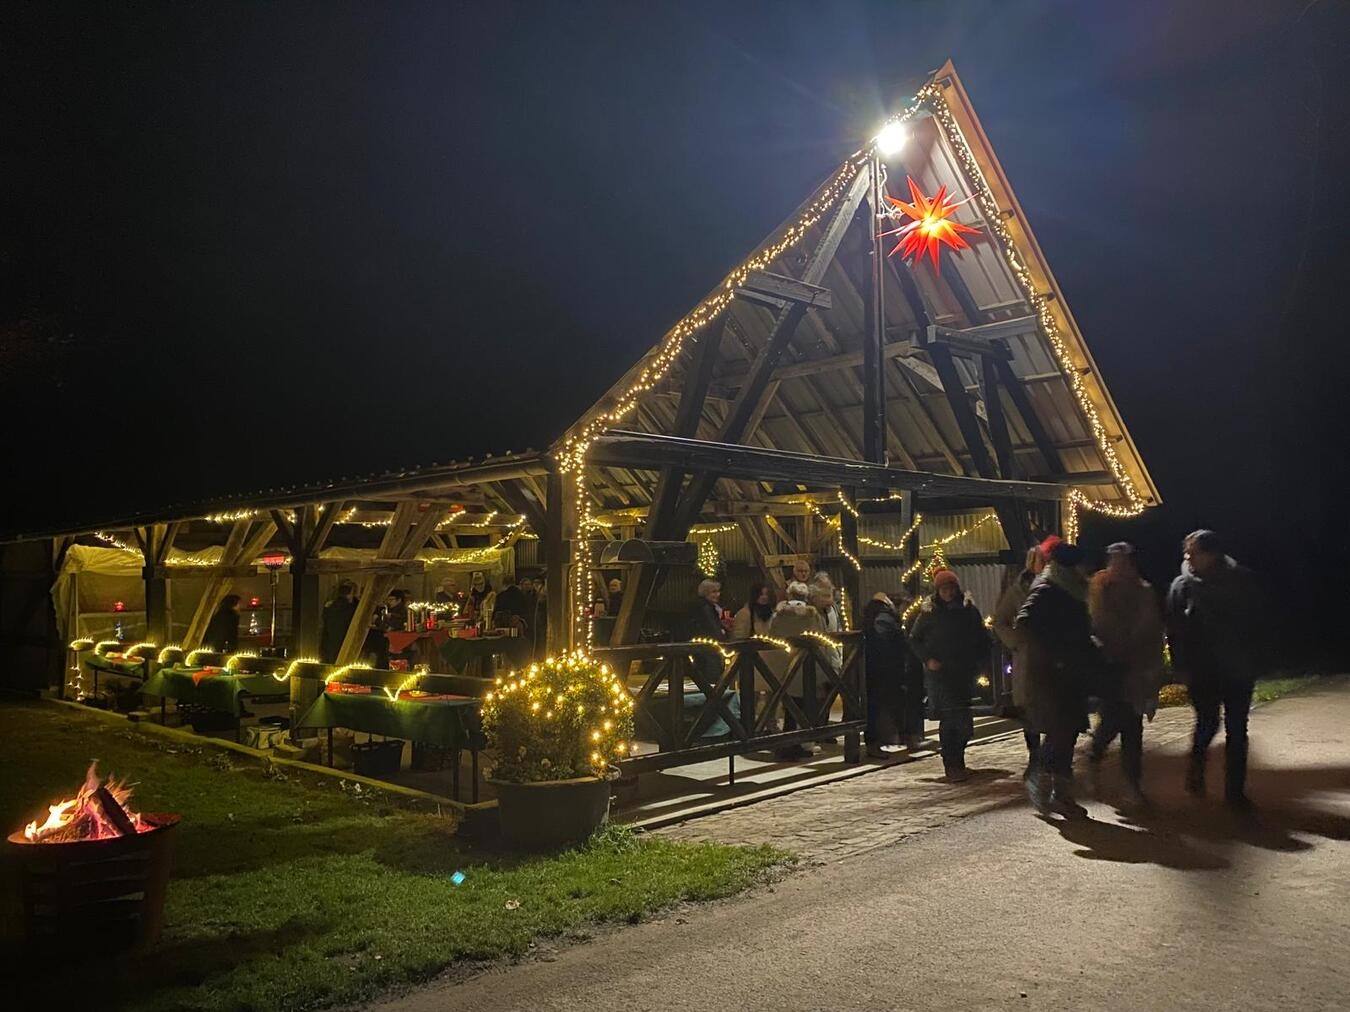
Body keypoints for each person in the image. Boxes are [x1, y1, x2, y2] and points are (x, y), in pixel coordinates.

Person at [1166, 530, 1267, 812]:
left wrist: (1255, 658)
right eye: (1186, 552)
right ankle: (1196, 769)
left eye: (1193, 552)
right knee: (1208, 724)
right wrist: (1180, 666)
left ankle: (1235, 792)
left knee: (1237, 729)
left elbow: (1258, 623)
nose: (1188, 557)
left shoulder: (1242, 581)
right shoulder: (1182, 586)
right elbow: (1175, 630)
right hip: (1203, 671)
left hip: (1238, 668)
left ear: (1212, 555)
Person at [1016, 542, 1101, 817]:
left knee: (1068, 732)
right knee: (1059, 733)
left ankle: (1060, 791)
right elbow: (1024, 623)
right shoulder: (1047, 589)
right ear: (1070, 566)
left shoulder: (1073, 590)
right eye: (1080, 566)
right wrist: (1054, 655)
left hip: (1071, 675)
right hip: (1051, 677)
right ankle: (1043, 783)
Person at [1086, 542, 1164, 806]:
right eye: (1114, 559)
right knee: (1111, 722)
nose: (1119, 564)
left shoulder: (1144, 590)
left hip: (1135, 669)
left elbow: (1153, 633)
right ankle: (1094, 756)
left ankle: (1132, 783)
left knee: (1133, 728)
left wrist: (1153, 671)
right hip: (1108, 668)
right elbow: (1094, 625)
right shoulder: (1098, 588)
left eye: (1124, 559)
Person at [909, 569, 988, 782]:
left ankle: (959, 761)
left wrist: (979, 662)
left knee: (964, 723)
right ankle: (951, 765)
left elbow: (981, 636)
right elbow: (914, 639)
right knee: (949, 720)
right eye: (944, 589)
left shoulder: (968, 609)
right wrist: (928, 659)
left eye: (951, 588)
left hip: (962, 672)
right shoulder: (929, 612)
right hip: (940, 675)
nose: (948, 593)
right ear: (938, 590)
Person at [993, 536, 1059, 779]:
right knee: (1030, 712)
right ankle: (1035, 758)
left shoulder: (1057, 585)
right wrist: (1015, 642)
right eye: (1038, 560)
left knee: (1054, 711)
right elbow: (1000, 620)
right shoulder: (1018, 589)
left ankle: (1049, 759)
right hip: (1029, 658)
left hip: (1054, 657)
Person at [768, 580, 829, 759]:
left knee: (789, 706)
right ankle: (801, 743)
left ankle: (788, 744)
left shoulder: (779, 614)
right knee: (804, 707)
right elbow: (821, 636)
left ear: (789, 595)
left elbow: (772, 636)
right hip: (807, 665)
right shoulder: (812, 615)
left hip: (785, 663)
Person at [862, 592, 907, 757]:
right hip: (884, 668)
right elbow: (888, 644)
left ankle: (878, 741)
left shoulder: (870, 615)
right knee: (879, 706)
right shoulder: (884, 618)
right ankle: (876, 743)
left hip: (873, 668)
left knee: (874, 706)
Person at [320, 580, 357, 663]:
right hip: (345, 640)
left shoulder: (330, 606)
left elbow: (325, 619)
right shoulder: (352, 608)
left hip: (330, 642)